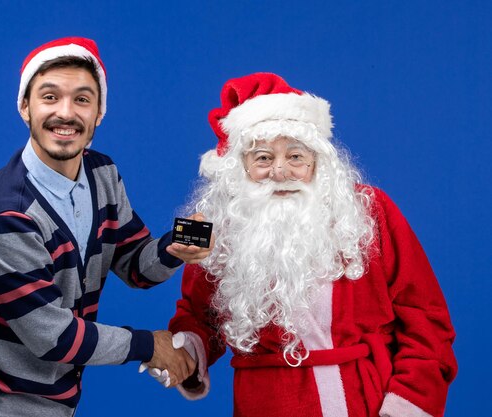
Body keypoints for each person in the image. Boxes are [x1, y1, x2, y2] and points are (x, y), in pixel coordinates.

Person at [150, 73, 457, 417]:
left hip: (364, 402)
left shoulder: (369, 211)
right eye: (263, 158)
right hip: (262, 404)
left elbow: (426, 319)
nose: (280, 171)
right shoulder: (218, 226)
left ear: (318, 161)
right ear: (240, 168)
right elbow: (199, 318)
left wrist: (407, 404)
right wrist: (185, 353)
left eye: (296, 156)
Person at [0, 37, 206, 417]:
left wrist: (177, 245)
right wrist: (149, 345)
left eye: (81, 99)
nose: (66, 113)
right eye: (49, 97)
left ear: (99, 112)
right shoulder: (7, 215)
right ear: (25, 107)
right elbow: (53, 337)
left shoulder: (102, 173)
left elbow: (134, 266)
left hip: (56, 401)